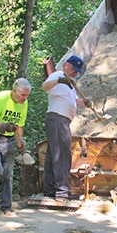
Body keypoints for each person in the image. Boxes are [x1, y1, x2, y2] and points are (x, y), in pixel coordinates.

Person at [41, 55, 90, 201]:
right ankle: (62, 192)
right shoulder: (58, 75)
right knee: (62, 155)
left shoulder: (69, 83)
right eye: (74, 70)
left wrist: (85, 102)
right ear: (67, 65)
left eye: (77, 72)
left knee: (53, 155)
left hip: (61, 121)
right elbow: (44, 87)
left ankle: (49, 190)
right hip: (57, 119)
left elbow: (73, 101)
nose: (75, 74)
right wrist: (59, 80)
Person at [0, 78, 31, 216]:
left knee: (8, 173)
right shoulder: (2, 97)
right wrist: (2, 125)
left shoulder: (24, 103)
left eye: (27, 96)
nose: (24, 98)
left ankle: (6, 206)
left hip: (8, 139)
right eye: (22, 95)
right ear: (14, 91)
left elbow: (19, 126)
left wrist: (20, 142)